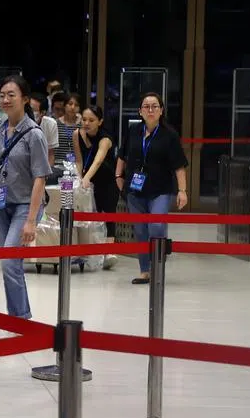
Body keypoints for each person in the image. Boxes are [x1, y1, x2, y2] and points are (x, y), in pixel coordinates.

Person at [0, 76, 50, 321]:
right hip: (0, 204)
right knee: (9, 263)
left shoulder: (34, 134)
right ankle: (18, 316)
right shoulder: (0, 129)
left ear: (25, 99)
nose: (5, 99)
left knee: (9, 261)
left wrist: (31, 222)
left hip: (25, 204)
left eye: (11, 95)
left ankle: (20, 318)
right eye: (2, 95)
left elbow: (40, 177)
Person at [116, 92, 188, 284]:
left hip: (161, 189)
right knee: (140, 231)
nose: (150, 110)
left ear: (161, 110)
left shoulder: (169, 135)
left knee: (156, 225)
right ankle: (145, 270)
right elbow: (122, 155)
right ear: (140, 111)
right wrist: (118, 176)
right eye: (146, 106)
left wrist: (182, 190)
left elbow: (179, 165)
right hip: (135, 189)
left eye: (155, 106)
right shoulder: (133, 131)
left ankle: (158, 264)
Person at [74, 105, 118, 239]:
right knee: (90, 214)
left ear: (100, 121)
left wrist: (86, 178)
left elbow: (98, 161)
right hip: (89, 181)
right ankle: (91, 248)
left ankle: (110, 251)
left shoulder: (105, 139)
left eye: (91, 120)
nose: (87, 123)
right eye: (84, 119)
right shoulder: (77, 134)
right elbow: (79, 160)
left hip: (107, 181)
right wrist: (79, 178)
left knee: (108, 214)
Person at [30, 92, 60, 167]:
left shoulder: (51, 124)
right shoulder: (18, 123)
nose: (28, 112)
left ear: (42, 113)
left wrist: (48, 176)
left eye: (32, 110)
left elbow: (50, 154)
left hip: (41, 167)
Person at [56, 92, 84, 158]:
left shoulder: (82, 124)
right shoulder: (56, 123)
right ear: (64, 105)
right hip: (59, 162)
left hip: (78, 163)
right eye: (70, 104)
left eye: (76, 105)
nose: (73, 107)